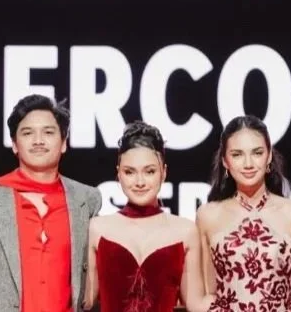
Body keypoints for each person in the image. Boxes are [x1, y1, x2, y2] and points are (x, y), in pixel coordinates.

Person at [0, 94, 103, 312]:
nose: (38, 141)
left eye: (48, 132)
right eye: (28, 133)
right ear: (14, 144)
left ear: (63, 143)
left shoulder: (86, 199)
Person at [83, 121, 215, 312]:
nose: (139, 182)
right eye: (129, 172)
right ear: (118, 174)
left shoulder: (185, 231)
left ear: (164, 172)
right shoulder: (97, 228)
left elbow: (197, 305)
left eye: (149, 171)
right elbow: (84, 301)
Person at [196, 115, 291, 312]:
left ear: (269, 156)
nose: (248, 164)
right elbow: (209, 293)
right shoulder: (207, 216)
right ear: (225, 161)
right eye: (237, 154)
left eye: (257, 153)